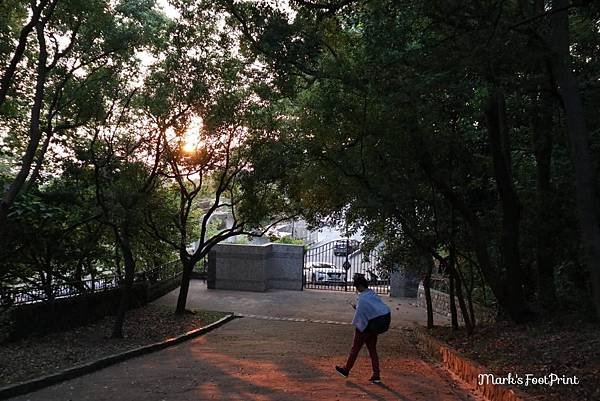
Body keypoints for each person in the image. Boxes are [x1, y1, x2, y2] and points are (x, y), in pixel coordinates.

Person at [336, 273, 391, 384]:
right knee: (372, 350)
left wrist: (358, 325)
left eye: (357, 287)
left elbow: (360, 316)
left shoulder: (362, 299)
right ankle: (376, 375)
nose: (357, 289)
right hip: (376, 324)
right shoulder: (372, 294)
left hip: (366, 326)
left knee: (355, 349)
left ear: (359, 286)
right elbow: (372, 308)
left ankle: (346, 369)